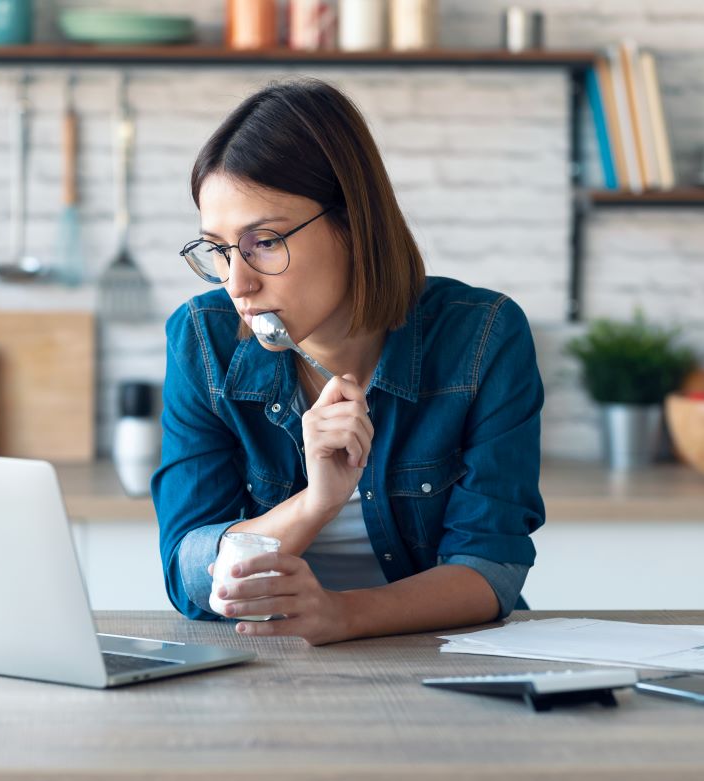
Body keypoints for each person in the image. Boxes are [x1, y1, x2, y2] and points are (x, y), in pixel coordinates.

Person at [151, 78, 545, 646]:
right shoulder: (202, 339)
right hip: (264, 665)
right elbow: (187, 572)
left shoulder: (483, 335)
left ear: (354, 225)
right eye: (218, 249)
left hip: (443, 662)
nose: (238, 283)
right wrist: (316, 503)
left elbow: (492, 570)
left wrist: (344, 615)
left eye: (264, 242)